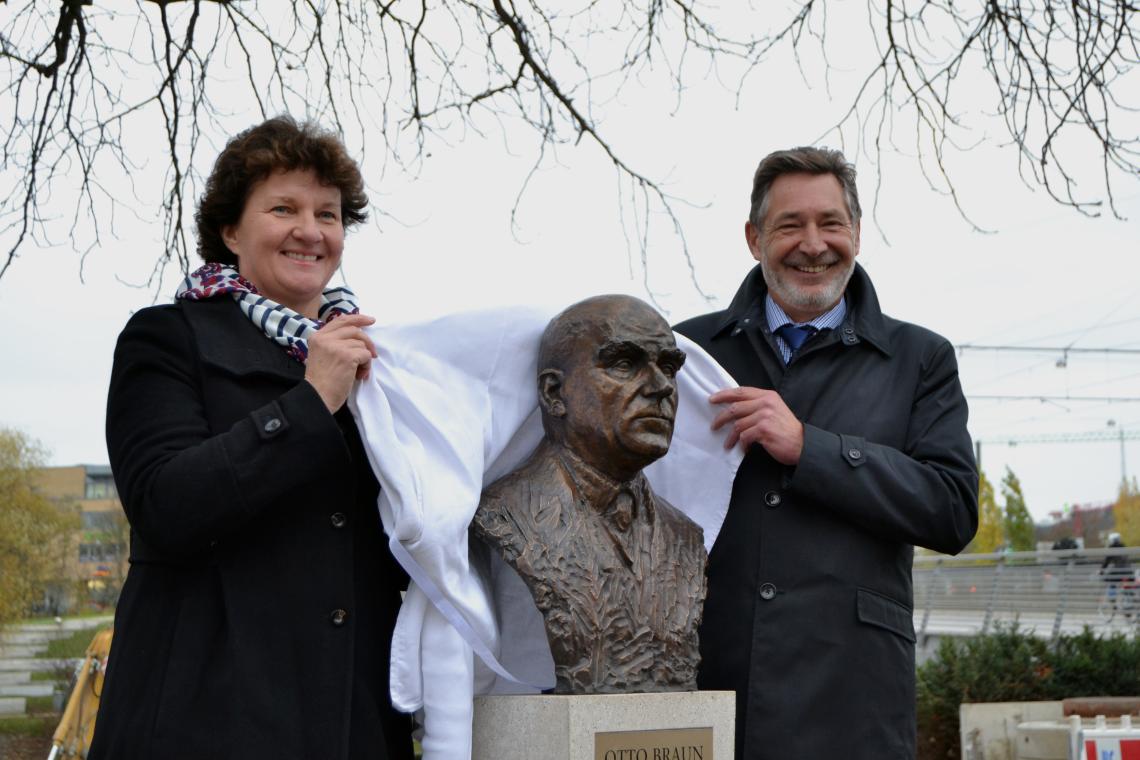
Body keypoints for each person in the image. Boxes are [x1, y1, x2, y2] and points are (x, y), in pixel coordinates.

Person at [90, 116, 414, 760]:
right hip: (204, 719)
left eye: (329, 213)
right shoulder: (166, 338)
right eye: (283, 208)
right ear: (231, 231)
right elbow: (165, 505)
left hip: (352, 720)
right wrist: (312, 400)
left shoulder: (378, 364)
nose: (310, 230)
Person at [673, 147, 978, 759]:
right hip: (707, 687)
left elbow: (952, 510)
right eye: (790, 225)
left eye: (830, 223)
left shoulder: (921, 359)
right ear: (754, 237)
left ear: (857, 234)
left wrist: (811, 448)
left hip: (854, 702)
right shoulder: (686, 352)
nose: (813, 243)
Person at [472, 295, 707, 694]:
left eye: (668, 367)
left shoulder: (685, 538)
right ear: (553, 393)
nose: (660, 386)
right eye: (623, 364)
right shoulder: (507, 514)